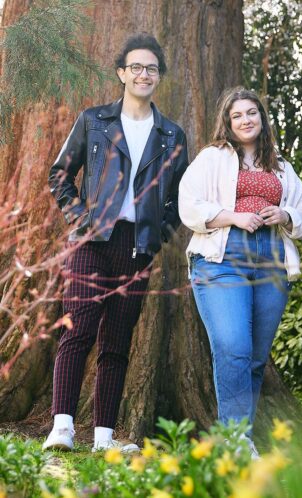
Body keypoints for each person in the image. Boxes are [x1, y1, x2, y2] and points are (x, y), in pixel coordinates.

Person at [44, 33, 188, 452]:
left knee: (118, 341)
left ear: (158, 77)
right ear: (121, 73)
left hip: (137, 246)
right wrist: (80, 219)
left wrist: (159, 234)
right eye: (136, 67)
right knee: (78, 331)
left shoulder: (172, 135)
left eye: (152, 69)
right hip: (92, 239)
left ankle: (104, 437)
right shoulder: (95, 121)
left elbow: (180, 197)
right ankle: (63, 428)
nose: (144, 74)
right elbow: (60, 175)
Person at [179, 87, 302, 457]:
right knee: (233, 347)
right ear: (228, 121)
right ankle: (236, 442)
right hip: (223, 258)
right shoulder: (212, 159)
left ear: (261, 117)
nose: (245, 120)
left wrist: (285, 215)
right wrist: (234, 216)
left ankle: (242, 439)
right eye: (237, 115)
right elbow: (188, 205)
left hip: (272, 259)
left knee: (254, 357)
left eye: (251, 113)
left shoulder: (281, 165)